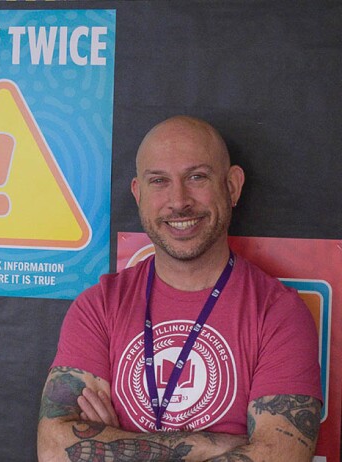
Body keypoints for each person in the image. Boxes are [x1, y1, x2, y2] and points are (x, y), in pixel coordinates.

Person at [37, 116, 322, 461]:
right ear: (138, 193)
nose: (178, 200)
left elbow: (281, 456)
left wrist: (115, 445)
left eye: (196, 177)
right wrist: (220, 445)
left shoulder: (278, 313)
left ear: (232, 186)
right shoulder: (99, 306)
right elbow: (54, 449)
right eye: (159, 181)